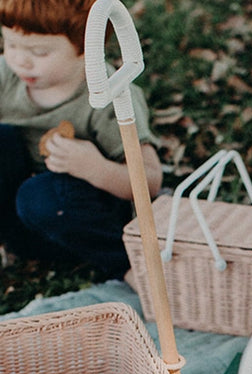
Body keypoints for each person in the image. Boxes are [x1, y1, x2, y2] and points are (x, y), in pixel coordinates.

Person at [0, 0, 161, 280]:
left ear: (86, 47)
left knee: (41, 197)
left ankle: (128, 267)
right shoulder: (7, 75)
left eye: (39, 51)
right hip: (20, 222)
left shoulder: (110, 94)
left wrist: (95, 168)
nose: (21, 60)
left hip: (83, 219)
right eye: (11, 45)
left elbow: (151, 181)